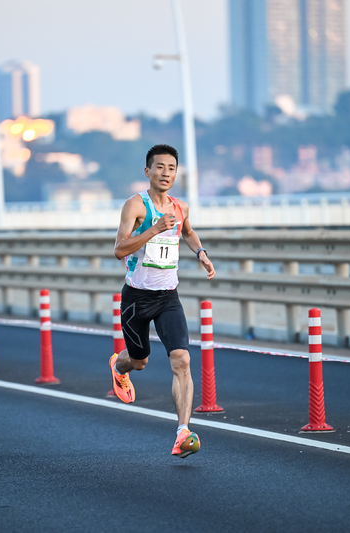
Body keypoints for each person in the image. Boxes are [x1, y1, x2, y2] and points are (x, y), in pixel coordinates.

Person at [109, 144, 216, 459]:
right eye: (160, 167)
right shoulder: (136, 206)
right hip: (136, 299)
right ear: (148, 171)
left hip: (168, 297)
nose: (166, 173)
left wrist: (201, 253)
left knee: (182, 359)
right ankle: (118, 365)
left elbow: (188, 233)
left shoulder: (180, 207)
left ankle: (182, 432)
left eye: (171, 168)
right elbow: (119, 249)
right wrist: (154, 229)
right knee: (139, 361)